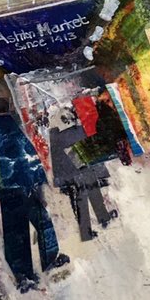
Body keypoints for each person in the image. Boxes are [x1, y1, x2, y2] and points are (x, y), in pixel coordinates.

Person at [0, 96, 68, 290]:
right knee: (42, 220)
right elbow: (28, 154)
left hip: (7, 191)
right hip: (24, 186)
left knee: (15, 231)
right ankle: (50, 259)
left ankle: (23, 275)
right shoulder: (10, 126)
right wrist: (38, 180)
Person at [48, 103, 117, 242]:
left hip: (73, 161)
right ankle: (90, 228)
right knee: (85, 191)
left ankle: (99, 220)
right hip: (75, 158)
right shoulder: (63, 125)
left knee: (89, 188)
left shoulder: (56, 129)